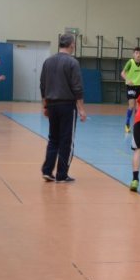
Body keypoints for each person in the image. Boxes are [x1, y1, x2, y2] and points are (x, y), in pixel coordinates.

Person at [40, 32, 87, 183]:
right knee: (66, 140)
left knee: (53, 138)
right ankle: (62, 174)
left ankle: (47, 171)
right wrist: (81, 108)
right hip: (67, 105)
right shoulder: (72, 63)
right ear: (72, 45)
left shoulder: (48, 61)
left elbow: (43, 85)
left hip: (52, 105)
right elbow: (77, 88)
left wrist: (45, 105)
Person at [120, 47, 140, 132]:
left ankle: (137, 124)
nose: (138, 55)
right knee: (131, 105)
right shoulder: (130, 62)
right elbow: (122, 73)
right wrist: (127, 80)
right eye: (136, 53)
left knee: (138, 107)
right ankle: (127, 124)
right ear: (133, 54)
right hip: (131, 86)